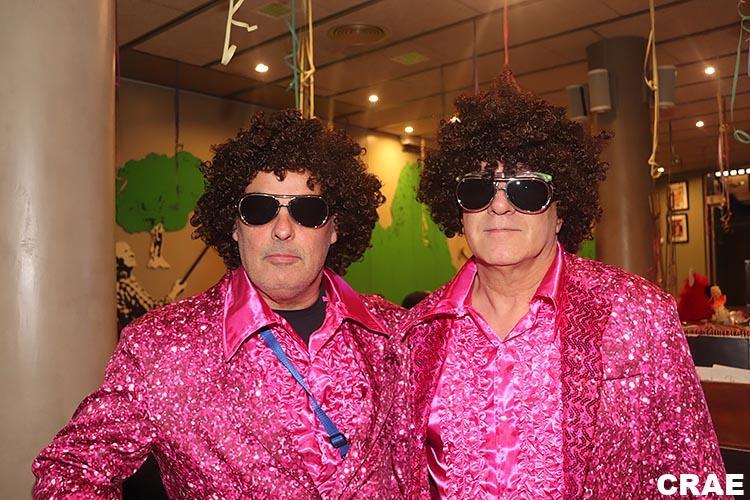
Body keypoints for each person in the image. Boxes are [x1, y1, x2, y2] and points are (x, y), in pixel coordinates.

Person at [33, 110, 409, 498]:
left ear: (335, 229)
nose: (282, 229)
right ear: (234, 225)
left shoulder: (397, 334)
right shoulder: (161, 345)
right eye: (259, 209)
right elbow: (71, 471)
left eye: (308, 211)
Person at [399, 71, 726, 497]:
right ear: (458, 210)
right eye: (479, 190)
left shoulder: (637, 314)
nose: (499, 205)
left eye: (527, 190)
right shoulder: (417, 334)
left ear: (561, 211)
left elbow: (694, 475)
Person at [115, 240, 186, 333]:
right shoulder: (125, 284)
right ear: (117, 261)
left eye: (130, 250)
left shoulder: (123, 283)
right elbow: (153, 312)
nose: (132, 254)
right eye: (125, 252)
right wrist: (174, 292)